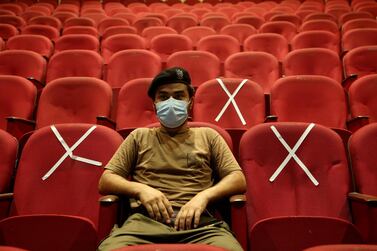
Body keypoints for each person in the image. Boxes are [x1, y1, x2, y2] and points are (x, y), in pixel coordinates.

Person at [97, 67, 246, 251]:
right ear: (154, 104)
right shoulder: (139, 137)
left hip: (201, 226)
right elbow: (106, 180)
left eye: (178, 96)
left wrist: (204, 196)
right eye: (163, 97)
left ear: (190, 102)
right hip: (143, 224)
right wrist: (141, 190)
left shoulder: (209, 136)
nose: (171, 102)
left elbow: (237, 179)